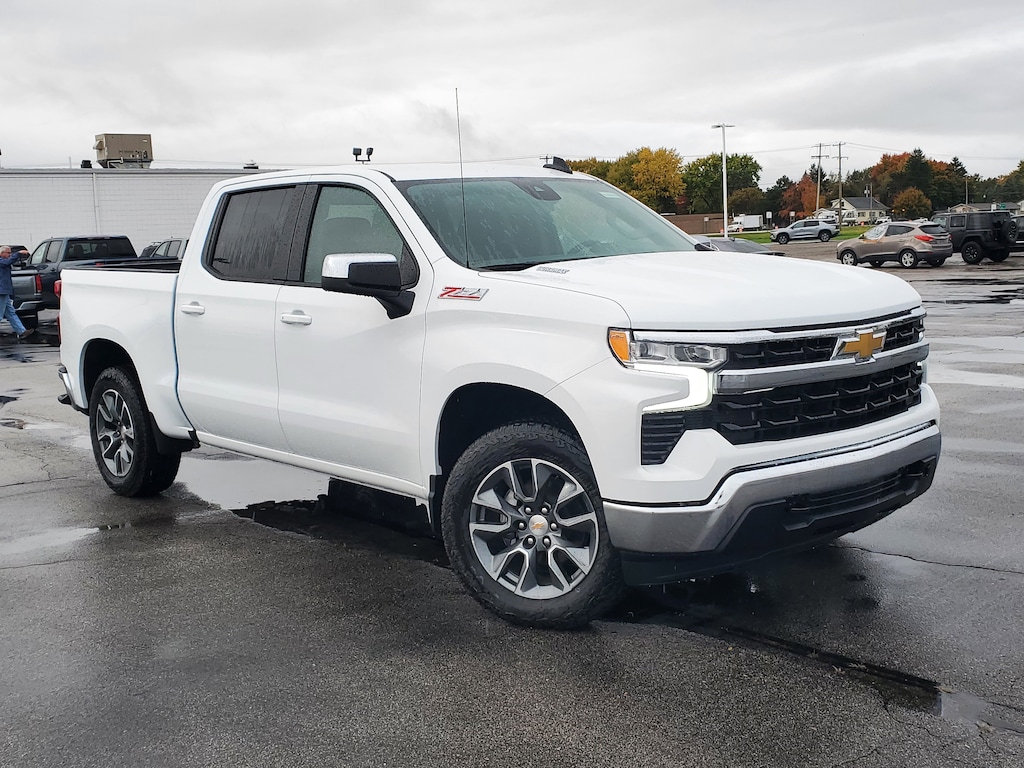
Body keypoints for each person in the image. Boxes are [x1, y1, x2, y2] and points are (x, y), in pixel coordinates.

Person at [0, 245, 35, 340]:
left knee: (11, 312)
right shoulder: (1, 261)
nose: (10, 255)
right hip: (1, 291)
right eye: (8, 253)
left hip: (4, 291)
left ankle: (21, 331)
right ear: (2, 253)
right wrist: (18, 253)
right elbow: (8, 262)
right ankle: (21, 331)